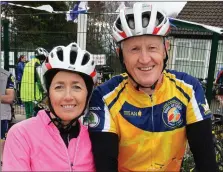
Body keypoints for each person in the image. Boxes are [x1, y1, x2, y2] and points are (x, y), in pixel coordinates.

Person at [88, 3, 217, 172]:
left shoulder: (189, 88)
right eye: (134, 49)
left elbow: (205, 158)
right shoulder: (105, 96)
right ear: (121, 56)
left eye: (152, 48)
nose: (144, 59)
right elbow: (106, 164)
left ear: (165, 50)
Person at [2, 42, 96, 171]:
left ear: (88, 93)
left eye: (77, 87)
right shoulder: (21, 134)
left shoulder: (95, 138)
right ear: (49, 92)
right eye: (59, 87)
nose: (68, 96)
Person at [20, 48, 48, 119]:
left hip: (25, 94)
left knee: (28, 116)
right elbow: (40, 82)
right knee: (34, 118)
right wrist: (45, 92)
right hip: (34, 96)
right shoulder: (37, 65)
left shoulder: (28, 64)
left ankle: (27, 129)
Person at [0, 67, 15, 164]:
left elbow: (10, 98)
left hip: (2, 114)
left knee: (2, 140)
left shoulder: (7, 75)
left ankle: (2, 159)